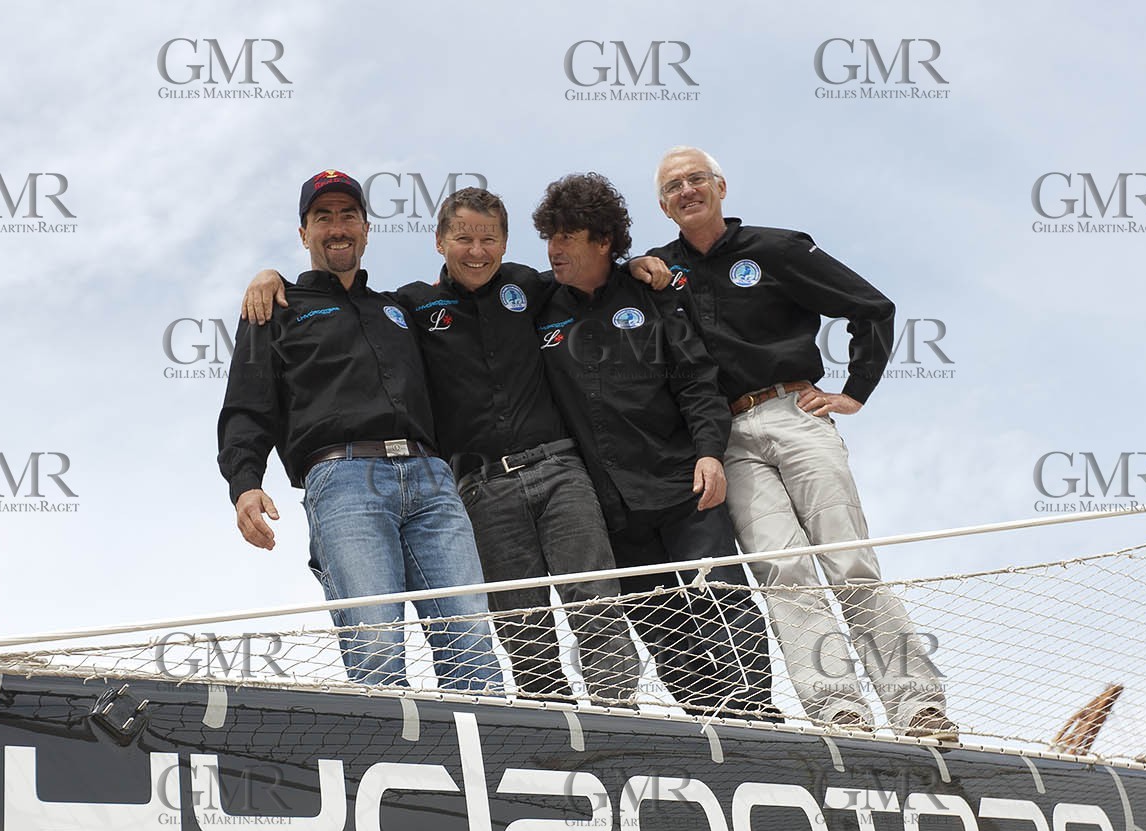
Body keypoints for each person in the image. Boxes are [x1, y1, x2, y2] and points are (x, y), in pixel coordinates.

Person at [241, 188, 674, 706]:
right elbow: (280, 371)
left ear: (506, 243)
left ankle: (618, 714)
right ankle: (549, 730)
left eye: (488, 239)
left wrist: (639, 265)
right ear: (440, 241)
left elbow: (589, 277)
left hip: (544, 469)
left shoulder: (523, 289)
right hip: (471, 486)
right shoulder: (408, 305)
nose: (476, 250)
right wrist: (269, 276)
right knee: (516, 624)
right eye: (463, 237)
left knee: (587, 604)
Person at [647, 145, 957, 739]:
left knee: (849, 560)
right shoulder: (660, 270)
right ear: (663, 205)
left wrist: (855, 390)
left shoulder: (777, 248)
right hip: (726, 436)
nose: (686, 191)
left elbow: (871, 307)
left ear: (721, 186)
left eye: (696, 179)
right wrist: (642, 271)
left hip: (795, 411)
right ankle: (839, 710)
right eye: (673, 187)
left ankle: (917, 705)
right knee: (784, 573)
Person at [216, 169, 500, 691]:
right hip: (343, 478)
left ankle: (497, 763)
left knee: (471, 638)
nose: (337, 226)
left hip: (433, 479)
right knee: (376, 645)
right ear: (304, 234)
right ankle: (392, 767)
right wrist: (244, 483)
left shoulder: (402, 307)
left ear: (367, 229)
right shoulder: (276, 308)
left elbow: (477, 286)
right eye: (322, 217)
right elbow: (246, 404)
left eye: (349, 215)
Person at [530, 172, 772, 716]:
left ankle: (759, 713)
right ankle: (710, 723)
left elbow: (696, 380)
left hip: (685, 483)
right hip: (612, 505)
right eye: (550, 236)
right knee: (661, 626)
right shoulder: (539, 302)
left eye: (567, 237)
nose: (554, 249)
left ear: (604, 242)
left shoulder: (651, 290)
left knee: (724, 602)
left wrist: (711, 451)